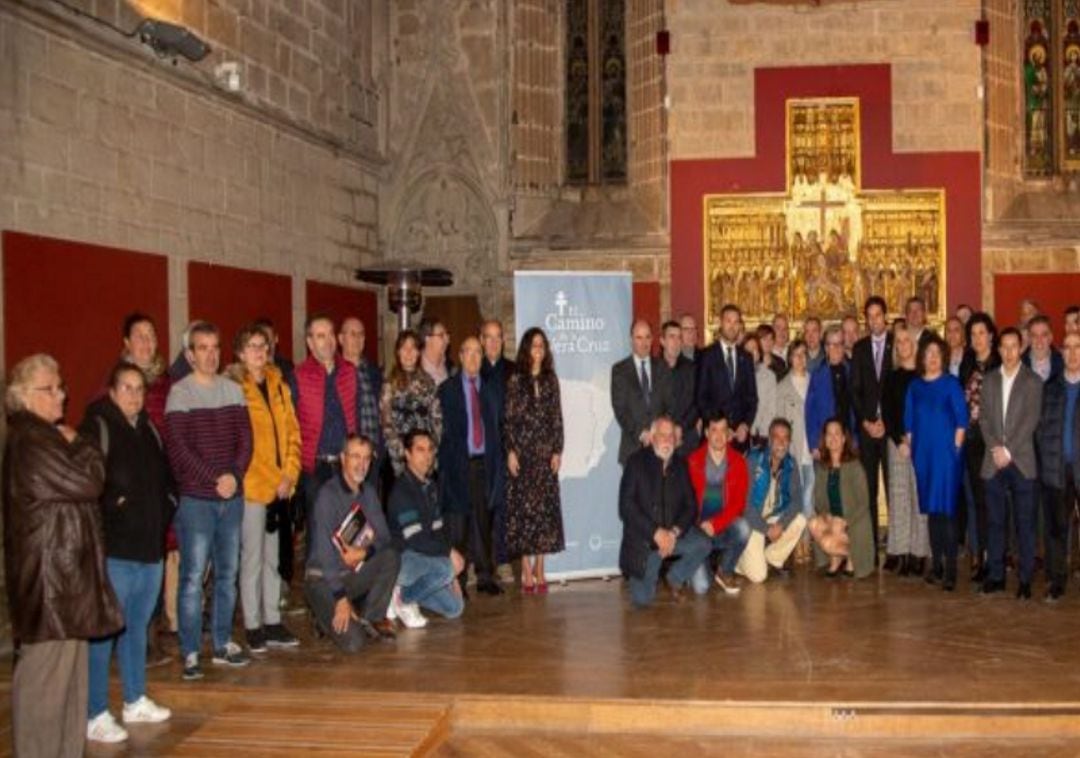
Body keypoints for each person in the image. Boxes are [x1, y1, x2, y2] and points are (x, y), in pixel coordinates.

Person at [4, 354, 123, 758]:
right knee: (44, 686)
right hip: (49, 583)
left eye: (61, 387)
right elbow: (89, 481)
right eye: (50, 389)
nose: (61, 395)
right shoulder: (31, 440)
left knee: (70, 685)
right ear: (23, 397)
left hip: (66, 581)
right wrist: (83, 444)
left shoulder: (43, 437)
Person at [81, 362, 174, 743]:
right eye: (128, 388)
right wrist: (116, 509)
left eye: (140, 388)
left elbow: (167, 477)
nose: (135, 395)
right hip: (116, 550)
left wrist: (168, 504)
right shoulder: (98, 426)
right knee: (104, 633)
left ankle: (134, 699)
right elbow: (87, 484)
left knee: (136, 629)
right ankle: (95, 712)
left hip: (150, 547)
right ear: (113, 391)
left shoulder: (148, 428)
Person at [165, 321, 254, 679]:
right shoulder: (180, 394)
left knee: (228, 574)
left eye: (215, 347)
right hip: (198, 501)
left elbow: (245, 441)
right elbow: (178, 450)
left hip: (231, 498)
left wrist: (233, 475)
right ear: (189, 355)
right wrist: (215, 479)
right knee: (192, 577)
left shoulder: (234, 391)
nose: (211, 354)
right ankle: (190, 651)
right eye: (203, 348)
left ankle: (220, 643)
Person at [227, 325, 302, 653]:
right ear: (241, 353)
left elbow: (292, 434)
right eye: (252, 346)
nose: (259, 352)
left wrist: (289, 474)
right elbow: (235, 442)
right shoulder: (233, 388)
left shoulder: (279, 385)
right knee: (253, 558)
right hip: (251, 487)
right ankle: (253, 624)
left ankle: (273, 619)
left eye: (263, 346)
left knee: (275, 558)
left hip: (280, 488)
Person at [304, 434, 399, 651]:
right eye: (355, 456)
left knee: (391, 557)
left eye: (366, 458)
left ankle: (370, 618)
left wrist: (363, 553)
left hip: (351, 573)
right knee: (354, 645)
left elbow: (384, 537)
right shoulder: (327, 495)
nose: (362, 464)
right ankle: (323, 614)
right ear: (342, 458)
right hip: (323, 580)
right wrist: (340, 598)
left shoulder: (369, 493)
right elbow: (326, 556)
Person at [118, 313, 176, 657]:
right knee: (134, 564)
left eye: (152, 336)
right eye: (140, 336)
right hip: (132, 487)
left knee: (157, 559)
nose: (147, 342)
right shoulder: (116, 383)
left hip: (161, 483)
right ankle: (131, 636)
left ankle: (149, 633)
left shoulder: (165, 382)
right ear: (126, 343)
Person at [618, 417, 711, 607]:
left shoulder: (681, 464)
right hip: (646, 544)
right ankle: (651, 569)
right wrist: (656, 533)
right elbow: (625, 507)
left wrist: (673, 532)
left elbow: (690, 505)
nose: (668, 440)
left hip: (673, 537)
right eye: (662, 435)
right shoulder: (635, 463)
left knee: (704, 543)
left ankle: (674, 577)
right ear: (652, 437)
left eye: (671, 436)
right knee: (642, 601)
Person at [979, 328, 1043, 599]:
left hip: (1022, 461)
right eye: (1003, 347)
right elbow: (983, 418)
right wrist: (996, 448)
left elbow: (1031, 421)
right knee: (995, 521)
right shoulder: (990, 380)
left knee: (1024, 523)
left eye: (1013, 346)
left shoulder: (1033, 381)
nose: (1008, 352)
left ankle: (1025, 578)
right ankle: (996, 575)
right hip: (994, 460)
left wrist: (1008, 450)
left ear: (1021, 348)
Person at [437, 337, 503, 596]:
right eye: (469, 352)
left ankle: (486, 576)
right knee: (458, 527)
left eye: (479, 352)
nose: (474, 358)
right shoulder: (447, 390)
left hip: (483, 464)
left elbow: (497, 429)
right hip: (457, 465)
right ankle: (458, 581)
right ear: (461, 356)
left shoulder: (490, 390)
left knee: (483, 522)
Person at [504, 327, 565, 593]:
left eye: (542, 345)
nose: (538, 349)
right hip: (523, 455)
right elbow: (508, 421)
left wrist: (557, 450)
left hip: (544, 456)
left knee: (543, 514)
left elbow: (557, 419)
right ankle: (526, 569)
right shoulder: (516, 380)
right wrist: (511, 451)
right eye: (533, 345)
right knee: (523, 513)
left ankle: (541, 567)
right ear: (526, 349)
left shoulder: (551, 380)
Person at [905, 337, 969, 591]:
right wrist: (914, 451)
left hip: (947, 457)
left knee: (947, 512)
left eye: (936, 353)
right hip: (923, 456)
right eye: (928, 352)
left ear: (943, 357)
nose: (932, 357)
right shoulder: (915, 387)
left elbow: (962, 421)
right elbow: (909, 422)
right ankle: (938, 565)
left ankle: (951, 569)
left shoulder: (951, 384)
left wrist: (954, 450)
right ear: (922, 357)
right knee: (932, 512)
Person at [387, 430, 465, 625]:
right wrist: (449, 555)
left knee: (455, 608)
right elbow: (416, 540)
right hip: (402, 560)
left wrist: (452, 576)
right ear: (407, 454)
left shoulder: (430, 487)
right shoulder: (402, 490)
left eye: (430, 449)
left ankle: (412, 591)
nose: (427, 456)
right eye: (420, 450)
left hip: (423, 560)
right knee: (446, 568)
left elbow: (438, 531)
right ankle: (403, 598)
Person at [292, 314, 358, 527]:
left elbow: (357, 416)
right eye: (321, 336)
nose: (328, 340)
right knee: (319, 530)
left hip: (345, 464)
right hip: (315, 467)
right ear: (310, 342)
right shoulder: (298, 375)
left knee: (349, 528)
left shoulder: (349, 372)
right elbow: (290, 426)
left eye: (330, 334)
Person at [686, 412, 751, 595]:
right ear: (706, 433)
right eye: (714, 430)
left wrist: (715, 524)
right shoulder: (693, 461)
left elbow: (738, 504)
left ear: (729, 433)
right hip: (698, 530)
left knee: (744, 528)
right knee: (701, 588)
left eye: (723, 430)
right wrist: (700, 527)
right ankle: (696, 562)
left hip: (722, 526)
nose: (719, 435)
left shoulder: (739, 462)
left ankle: (725, 570)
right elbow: (686, 504)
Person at [881, 326, 928, 577]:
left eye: (907, 340)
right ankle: (901, 551)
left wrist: (915, 439)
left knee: (919, 499)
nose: (903, 344)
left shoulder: (924, 376)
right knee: (899, 498)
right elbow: (888, 411)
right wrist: (900, 439)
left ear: (915, 344)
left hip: (922, 443)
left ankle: (919, 553)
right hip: (897, 443)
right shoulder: (892, 376)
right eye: (898, 341)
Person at [1037, 331, 1080, 601]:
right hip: (1056, 466)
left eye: (1078, 347)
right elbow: (1040, 429)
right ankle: (1056, 579)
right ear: (1061, 352)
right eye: (1068, 347)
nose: (1073, 353)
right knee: (1056, 528)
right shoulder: (1050, 387)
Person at [737, 418, 807, 583]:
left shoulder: (791, 463)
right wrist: (766, 529)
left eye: (785, 438)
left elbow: (797, 501)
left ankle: (773, 558)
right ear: (769, 439)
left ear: (789, 441)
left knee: (800, 520)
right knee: (758, 577)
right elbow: (745, 505)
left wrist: (781, 524)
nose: (781, 442)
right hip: (752, 520)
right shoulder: (754, 459)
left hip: (774, 516)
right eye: (777, 437)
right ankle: (737, 560)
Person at [959, 312, 1000, 582]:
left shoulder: (999, 365)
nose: (977, 339)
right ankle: (980, 554)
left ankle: (994, 558)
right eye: (973, 334)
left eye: (982, 333)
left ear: (991, 336)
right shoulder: (967, 364)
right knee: (976, 500)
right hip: (972, 441)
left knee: (992, 502)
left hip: (993, 441)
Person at [850, 296, 892, 554]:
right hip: (867, 429)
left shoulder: (896, 344)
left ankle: (897, 547)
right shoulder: (860, 348)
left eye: (878, 315)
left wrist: (886, 422)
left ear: (885, 316)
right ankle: (872, 546)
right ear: (866, 319)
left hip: (889, 430)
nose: (874, 320)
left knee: (893, 486)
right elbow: (855, 390)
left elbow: (898, 387)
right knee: (869, 490)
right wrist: (866, 422)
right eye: (870, 315)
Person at [810, 418, 875, 578]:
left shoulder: (855, 466)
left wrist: (845, 522)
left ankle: (853, 556)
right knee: (812, 524)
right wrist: (829, 517)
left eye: (837, 433)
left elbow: (864, 503)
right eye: (829, 434)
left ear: (844, 439)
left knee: (826, 542)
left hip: (854, 522)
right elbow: (818, 501)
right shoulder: (822, 467)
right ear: (824, 439)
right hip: (834, 520)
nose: (833, 438)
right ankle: (836, 559)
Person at [695, 303, 758, 451]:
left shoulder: (746, 357)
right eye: (728, 321)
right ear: (720, 323)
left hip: (739, 438)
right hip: (714, 436)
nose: (732, 326)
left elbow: (752, 398)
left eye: (736, 322)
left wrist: (745, 424)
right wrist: (722, 427)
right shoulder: (706, 356)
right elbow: (701, 399)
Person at [380, 329, 442, 477]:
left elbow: (437, 421)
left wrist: (430, 451)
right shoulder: (389, 385)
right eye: (404, 348)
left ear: (419, 352)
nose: (408, 353)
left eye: (413, 348)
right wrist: (403, 453)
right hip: (399, 459)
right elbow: (386, 424)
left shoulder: (429, 383)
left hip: (426, 458)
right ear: (398, 352)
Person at [612, 319, 672, 465]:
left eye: (647, 337)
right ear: (631, 340)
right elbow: (621, 410)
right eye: (639, 337)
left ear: (652, 339)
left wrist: (660, 433)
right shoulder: (620, 370)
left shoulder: (663, 367)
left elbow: (669, 404)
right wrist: (642, 433)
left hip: (660, 447)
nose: (644, 342)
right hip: (632, 449)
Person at [479, 319, 514, 566]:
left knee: (505, 507)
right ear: (481, 341)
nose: (493, 342)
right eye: (488, 337)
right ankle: (480, 562)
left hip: (507, 449)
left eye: (497, 336)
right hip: (481, 450)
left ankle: (503, 562)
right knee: (481, 508)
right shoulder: (473, 369)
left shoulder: (513, 371)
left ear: (503, 340)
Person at [339, 317, 384, 484]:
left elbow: (382, 411)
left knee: (369, 504)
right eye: (352, 334)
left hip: (372, 456)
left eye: (361, 334)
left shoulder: (374, 372)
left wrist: (380, 448)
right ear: (341, 339)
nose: (357, 339)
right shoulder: (335, 372)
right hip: (349, 456)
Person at [775, 340, 815, 524]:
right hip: (793, 449)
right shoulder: (783, 387)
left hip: (813, 448)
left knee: (811, 493)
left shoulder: (815, 381)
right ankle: (800, 543)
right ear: (790, 358)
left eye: (803, 354)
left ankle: (808, 542)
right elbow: (778, 422)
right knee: (797, 496)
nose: (800, 358)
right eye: (796, 354)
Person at [805, 325, 853, 455]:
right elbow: (811, 412)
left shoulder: (853, 371)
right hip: (826, 443)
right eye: (832, 344)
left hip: (850, 440)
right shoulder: (817, 375)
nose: (836, 348)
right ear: (825, 348)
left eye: (839, 344)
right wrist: (814, 443)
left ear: (844, 346)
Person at [660, 319, 699, 455]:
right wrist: (666, 431)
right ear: (662, 341)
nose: (676, 342)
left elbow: (696, 404)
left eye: (679, 338)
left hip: (686, 439)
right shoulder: (653, 369)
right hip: (659, 440)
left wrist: (680, 428)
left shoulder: (692, 368)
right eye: (671, 337)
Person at [743, 333, 777, 446]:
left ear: (759, 352)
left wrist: (761, 433)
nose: (751, 353)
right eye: (747, 349)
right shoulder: (736, 375)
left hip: (760, 435)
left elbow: (771, 408)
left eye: (754, 349)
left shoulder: (769, 376)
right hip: (739, 433)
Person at [1023, 315, 1064, 383]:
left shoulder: (1063, 363)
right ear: (1029, 339)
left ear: (1051, 337)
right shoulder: (1020, 365)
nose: (1039, 341)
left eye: (1044, 335)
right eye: (1034, 336)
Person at [418, 316, 453, 386]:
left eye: (447, 335)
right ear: (427, 338)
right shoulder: (416, 367)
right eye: (441, 335)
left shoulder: (451, 368)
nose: (447, 340)